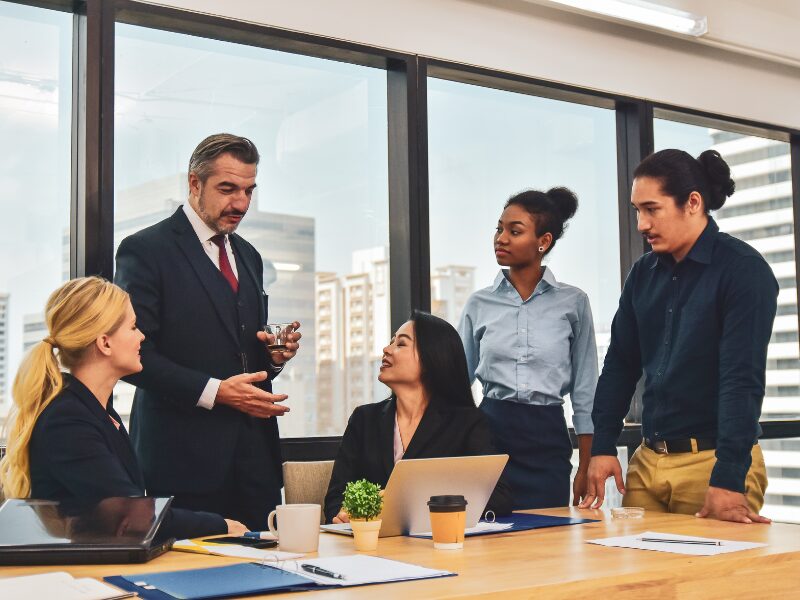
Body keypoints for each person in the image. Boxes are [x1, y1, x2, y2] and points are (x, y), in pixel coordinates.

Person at [115, 133, 301, 531]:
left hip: (255, 462)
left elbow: (239, 350)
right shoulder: (145, 250)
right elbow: (132, 358)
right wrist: (216, 392)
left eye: (250, 190)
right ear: (194, 183)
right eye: (228, 189)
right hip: (182, 460)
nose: (241, 204)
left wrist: (273, 357)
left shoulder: (249, 256)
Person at [580, 149, 777, 524]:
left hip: (713, 464)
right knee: (634, 581)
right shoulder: (643, 273)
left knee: (709, 584)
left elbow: (741, 379)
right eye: (637, 211)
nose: (641, 224)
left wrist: (729, 477)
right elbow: (620, 365)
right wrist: (603, 445)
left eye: (652, 209)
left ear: (692, 203)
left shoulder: (744, 271)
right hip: (648, 463)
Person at [0, 277, 244, 539]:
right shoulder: (68, 419)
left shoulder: (98, 412)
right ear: (105, 343)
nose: (142, 336)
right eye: (133, 327)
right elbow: (131, 514)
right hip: (73, 573)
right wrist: (222, 526)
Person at [458, 188, 598, 510]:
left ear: (543, 241)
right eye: (499, 229)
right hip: (490, 438)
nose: (501, 238)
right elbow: (455, 382)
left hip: (547, 441)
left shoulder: (574, 303)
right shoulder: (479, 303)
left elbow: (586, 390)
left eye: (514, 231)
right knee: (491, 544)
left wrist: (586, 466)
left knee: (547, 546)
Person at [324, 311, 513, 523]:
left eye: (401, 344)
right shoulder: (364, 419)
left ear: (432, 358)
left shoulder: (467, 422)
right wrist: (343, 515)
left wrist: (417, 501)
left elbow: (499, 498)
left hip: (439, 546)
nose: (386, 349)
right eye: (390, 342)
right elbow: (335, 498)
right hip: (371, 546)